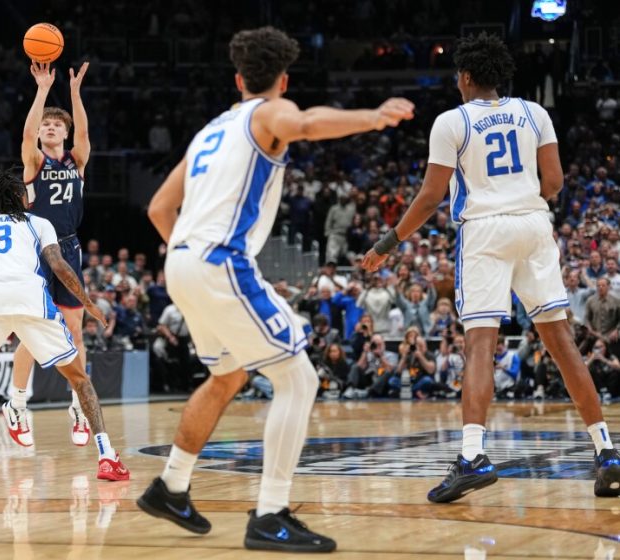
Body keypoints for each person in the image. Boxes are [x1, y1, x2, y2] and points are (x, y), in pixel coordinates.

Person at [138, 26, 413, 553]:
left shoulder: (208, 132)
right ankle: (270, 514)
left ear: (238, 78)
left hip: (181, 262)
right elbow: (305, 124)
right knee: (299, 379)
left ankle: (170, 486)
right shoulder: (268, 114)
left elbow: (157, 209)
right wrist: (374, 117)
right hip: (220, 261)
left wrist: (189, 258)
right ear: (282, 80)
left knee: (227, 374)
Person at [362, 33, 620, 502]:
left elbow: (430, 196)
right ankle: (606, 451)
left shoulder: (450, 121)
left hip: (484, 230)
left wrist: (389, 242)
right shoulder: (533, 113)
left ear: (464, 77)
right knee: (562, 342)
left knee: (480, 344)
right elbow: (556, 183)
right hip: (534, 223)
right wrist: (522, 205)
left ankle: (473, 455)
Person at [0, 169, 129, 483]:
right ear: (20, 197)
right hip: (31, 301)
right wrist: (88, 303)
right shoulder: (40, 223)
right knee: (80, 380)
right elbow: (59, 266)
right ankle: (107, 456)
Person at [12, 59, 94, 448]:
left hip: (69, 248)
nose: (50, 127)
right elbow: (27, 134)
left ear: (66, 132)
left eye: (57, 124)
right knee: (32, 327)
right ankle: (17, 402)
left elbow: (85, 132)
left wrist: (75, 94)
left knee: (74, 330)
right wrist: (43, 91)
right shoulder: (35, 160)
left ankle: (78, 406)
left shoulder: (76, 161)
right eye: (47, 123)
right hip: (36, 251)